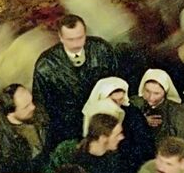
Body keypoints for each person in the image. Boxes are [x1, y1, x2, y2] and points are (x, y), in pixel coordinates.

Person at [33, 14, 120, 144]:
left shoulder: (101, 49)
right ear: (60, 37)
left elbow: (116, 81)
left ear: (85, 33)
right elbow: (42, 105)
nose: (76, 44)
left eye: (80, 38)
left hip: (101, 120)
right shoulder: (46, 65)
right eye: (70, 39)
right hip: (68, 128)